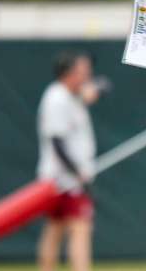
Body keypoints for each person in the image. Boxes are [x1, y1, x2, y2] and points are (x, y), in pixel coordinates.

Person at [36, 51, 100, 271]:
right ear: (68, 74)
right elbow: (57, 141)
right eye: (82, 72)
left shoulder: (72, 96)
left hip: (63, 178)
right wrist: (77, 172)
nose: (86, 77)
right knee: (80, 230)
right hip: (66, 180)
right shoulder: (57, 98)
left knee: (55, 229)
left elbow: (102, 87)